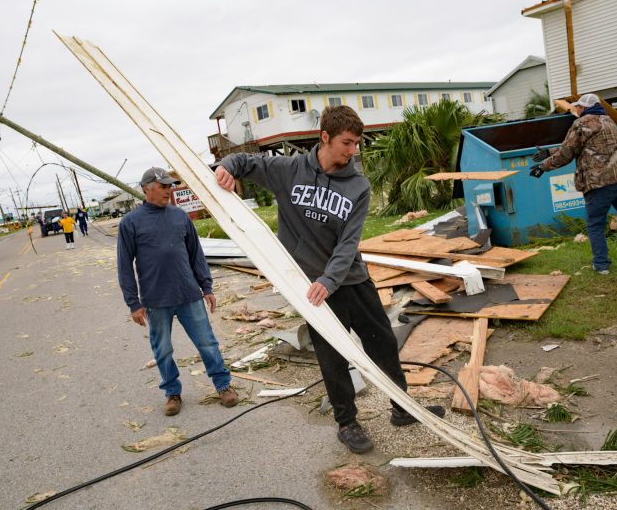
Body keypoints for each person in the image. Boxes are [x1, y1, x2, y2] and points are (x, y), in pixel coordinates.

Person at [214, 105, 445, 454]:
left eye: (356, 143)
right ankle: (347, 422)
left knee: (381, 343)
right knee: (332, 355)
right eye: (346, 143)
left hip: (350, 279)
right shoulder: (288, 170)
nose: (353, 151)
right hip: (312, 285)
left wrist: (331, 278)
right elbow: (244, 161)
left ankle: (402, 407)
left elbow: (349, 243)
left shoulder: (358, 186)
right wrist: (225, 168)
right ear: (325, 137)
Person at [117, 167, 239, 416]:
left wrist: (207, 286)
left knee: (207, 343)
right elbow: (124, 266)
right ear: (146, 189)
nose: (168, 191)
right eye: (163, 187)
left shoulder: (180, 217)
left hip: (188, 294)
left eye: (169, 186)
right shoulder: (131, 223)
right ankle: (172, 392)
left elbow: (196, 255)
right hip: (155, 300)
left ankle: (223, 385)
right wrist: (133, 303)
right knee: (162, 349)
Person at [530, 93, 617, 275]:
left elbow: (567, 152)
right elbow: (583, 145)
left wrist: (543, 166)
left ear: (585, 108)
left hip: (599, 184)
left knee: (595, 224)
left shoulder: (581, 123)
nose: (577, 109)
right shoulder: (610, 121)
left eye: (579, 106)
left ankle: (601, 266)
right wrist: (549, 151)